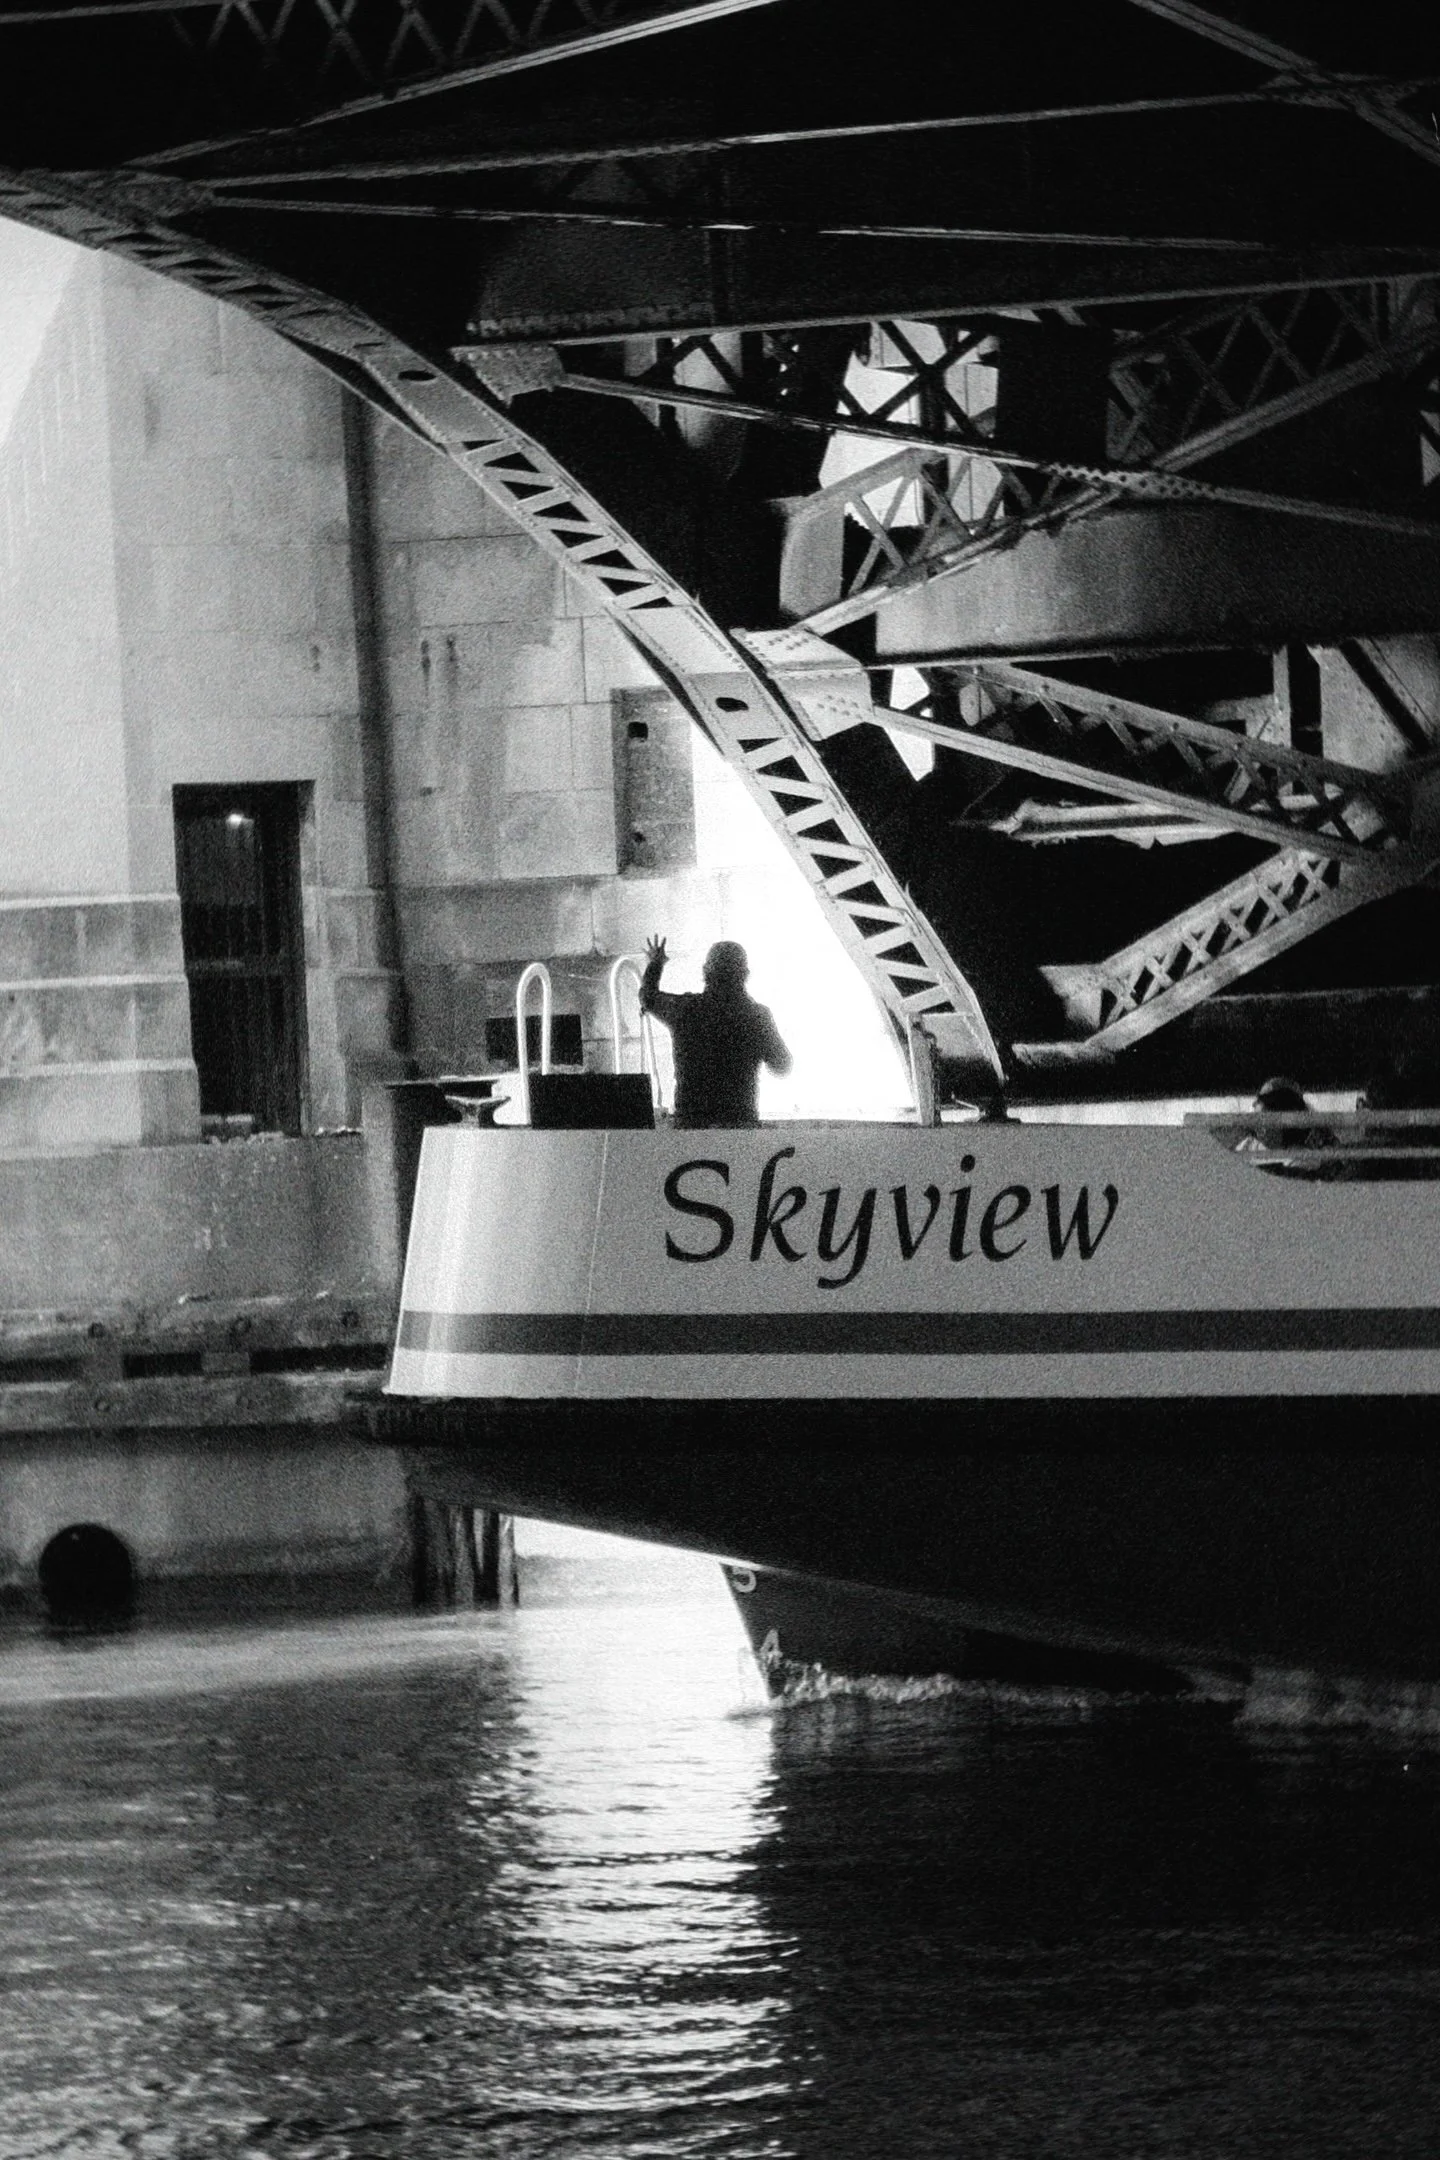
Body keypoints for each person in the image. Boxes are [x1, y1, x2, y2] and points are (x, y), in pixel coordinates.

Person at [639, 936, 792, 1128]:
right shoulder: (757, 1016)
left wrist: (656, 963)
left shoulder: (686, 1009)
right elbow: (782, 1065)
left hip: (691, 1126)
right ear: (745, 974)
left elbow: (648, 997)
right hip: (739, 1126)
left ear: (705, 972)